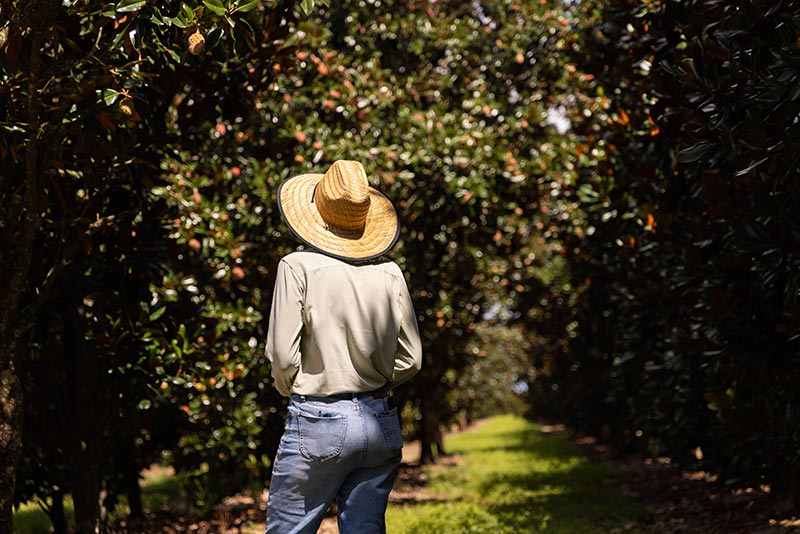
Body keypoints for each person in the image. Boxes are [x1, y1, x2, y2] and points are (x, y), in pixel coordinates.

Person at [265, 159, 423, 534]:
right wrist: (377, 380)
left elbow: (284, 356)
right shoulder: (390, 273)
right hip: (379, 419)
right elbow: (412, 358)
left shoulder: (297, 266)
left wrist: (297, 389)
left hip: (319, 415)